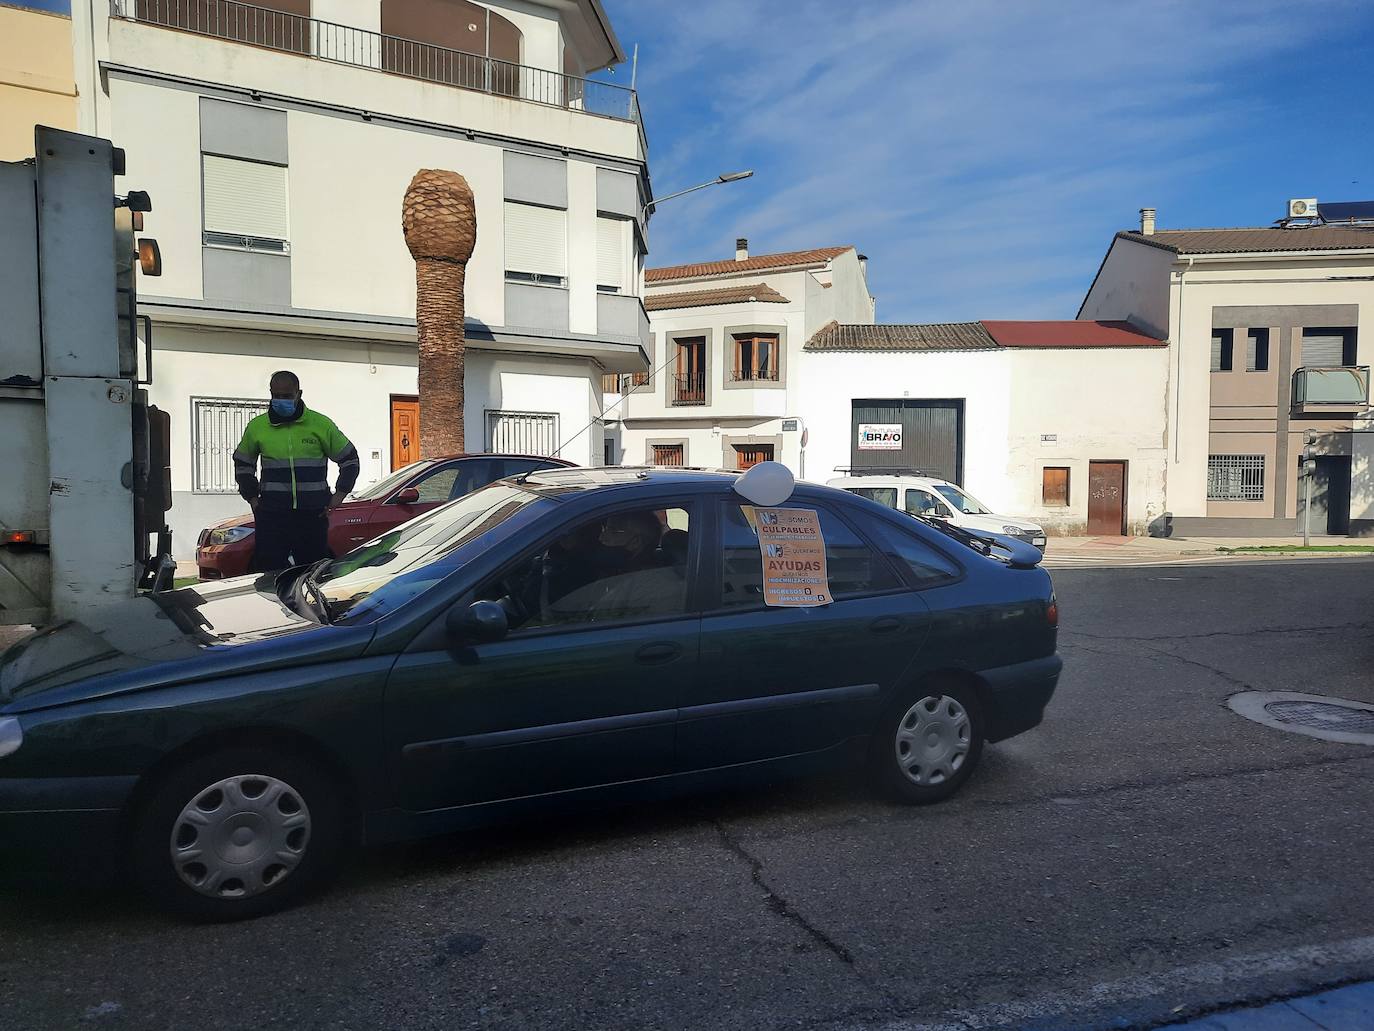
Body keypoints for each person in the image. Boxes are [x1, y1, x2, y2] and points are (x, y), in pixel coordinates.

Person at [233, 370, 360, 571]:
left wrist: (340, 494)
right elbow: (242, 463)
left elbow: (350, 460)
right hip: (272, 515)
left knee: (311, 574)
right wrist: (253, 499)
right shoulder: (257, 427)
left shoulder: (321, 425)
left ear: (298, 394)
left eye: (287, 396)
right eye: (276, 396)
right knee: (270, 576)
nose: (281, 400)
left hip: (312, 515)